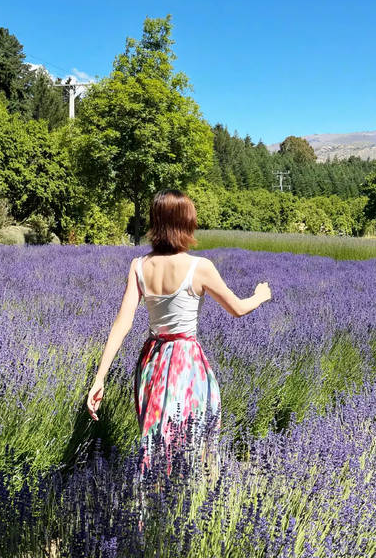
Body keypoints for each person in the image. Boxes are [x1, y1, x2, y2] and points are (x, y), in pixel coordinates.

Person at [85, 188, 272, 478]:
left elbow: (122, 324)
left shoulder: (138, 266)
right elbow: (237, 308)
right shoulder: (200, 267)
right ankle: (193, 507)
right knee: (195, 442)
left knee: (156, 443)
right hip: (186, 363)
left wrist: (100, 377)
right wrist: (260, 295)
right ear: (185, 223)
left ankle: (153, 510)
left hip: (152, 362)